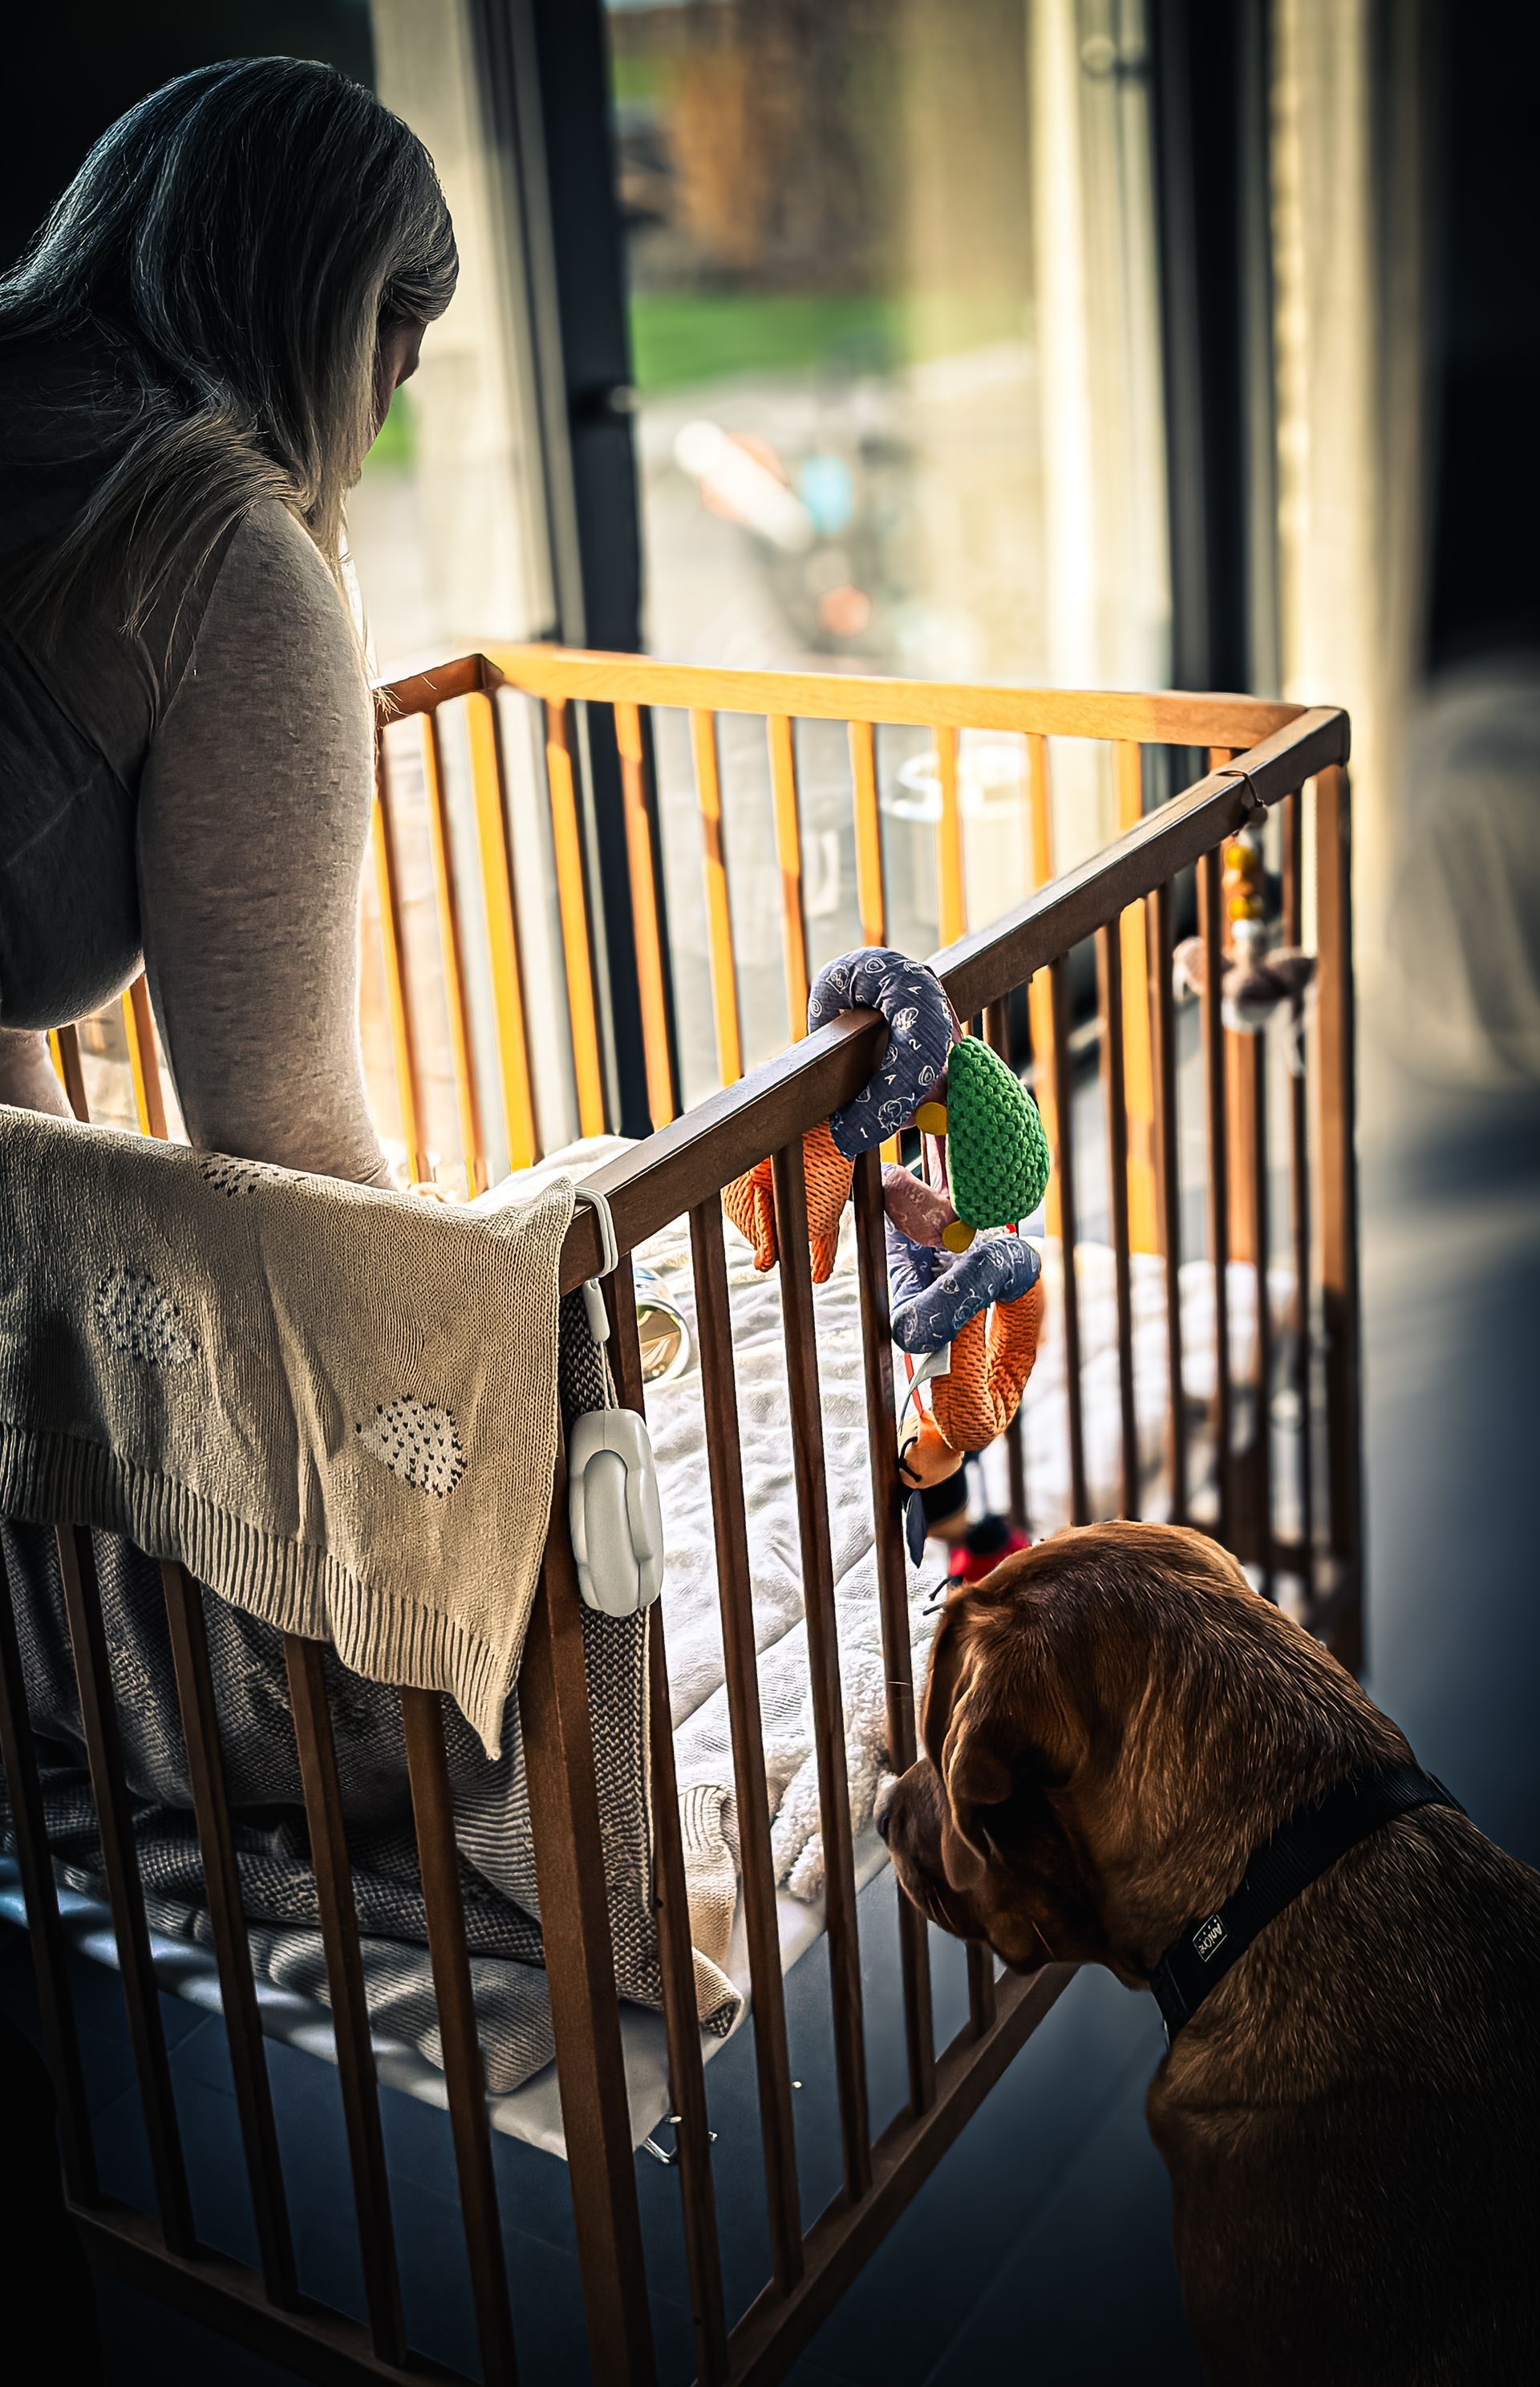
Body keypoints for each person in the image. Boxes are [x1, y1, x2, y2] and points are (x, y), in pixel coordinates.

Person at [0, 57, 457, 1181]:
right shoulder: (221, 553)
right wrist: (489, 1313)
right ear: (345, 332)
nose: (372, 424)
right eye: (388, 371)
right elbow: (284, 1144)